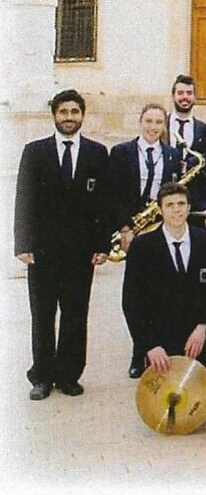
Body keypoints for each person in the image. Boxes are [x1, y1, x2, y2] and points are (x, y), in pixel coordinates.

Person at [14, 89, 113, 400]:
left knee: (75, 314)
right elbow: (24, 200)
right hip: (43, 252)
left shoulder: (97, 154)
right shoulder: (35, 152)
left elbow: (102, 205)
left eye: (74, 112)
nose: (69, 118)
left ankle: (69, 375)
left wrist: (102, 246)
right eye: (63, 112)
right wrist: (23, 243)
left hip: (80, 254)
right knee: (42, 315)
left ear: (82, 115)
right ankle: (41, 376)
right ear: (54, 115)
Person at [120, 181, 206, 422]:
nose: (176, 210)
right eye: (170, 205)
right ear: (160, 210)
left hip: (199, 331)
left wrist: (203, 327)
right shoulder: (143, 247)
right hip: (163, 336)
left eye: (181, 204)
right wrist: (150, 345)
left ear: (189, 208)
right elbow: (132, 301)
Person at [109, 104, 181, 262]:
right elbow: (114, 193)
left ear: (164, 125)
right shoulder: (121, 152)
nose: (153, 127)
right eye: (148, 121)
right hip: (132, 226)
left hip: (161, 225)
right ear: (140, 122)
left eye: (159, 122)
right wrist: (125, 228)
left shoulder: (173, 154)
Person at [167, 74, 206, 156]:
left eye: (189, 93)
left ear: (195, 97)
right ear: (173, 96)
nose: (185, 97)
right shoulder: (162, 125)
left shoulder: (205, 129)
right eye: (180, 93)